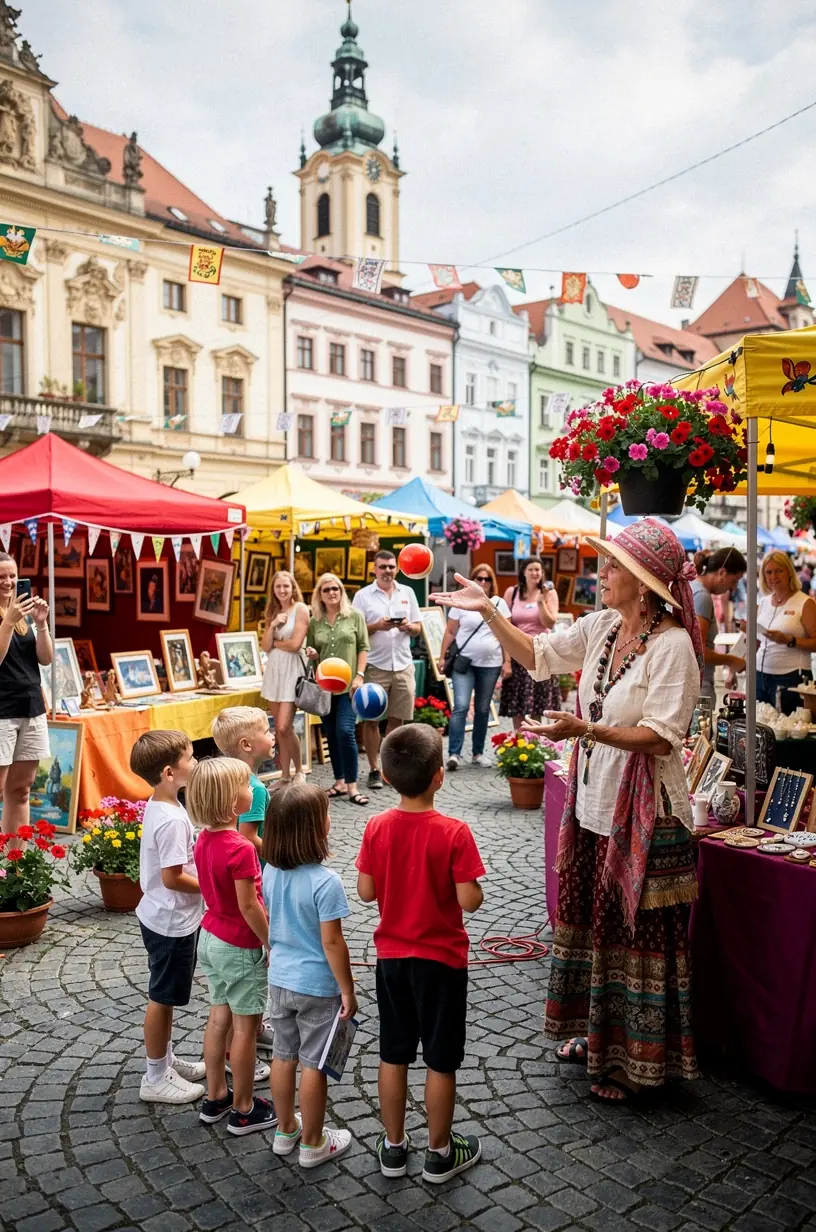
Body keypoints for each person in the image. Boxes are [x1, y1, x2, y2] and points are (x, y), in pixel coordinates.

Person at [433, 518, 701, 1104]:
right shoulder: (605, 625)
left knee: (636, 935)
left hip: (646, 812)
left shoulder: (673, 644)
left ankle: (639, 1060)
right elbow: (539, 654)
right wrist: (488, 611)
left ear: (644, 580)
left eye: (611, 568)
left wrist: (586, 728)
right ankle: (596, 1036)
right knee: (592, 922)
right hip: (594, 800)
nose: (600, 575)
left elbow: (661, 737)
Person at [356, 724, 485, 1183]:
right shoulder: (454, 832)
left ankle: (393, 1148)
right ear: (439, 777)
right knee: (440, 1059)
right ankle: (439, 1152)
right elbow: (469, 900)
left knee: (393, 1053)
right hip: (443, 962)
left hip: (391, 960)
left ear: (387, 778)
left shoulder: (376, 826)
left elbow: (366, 892)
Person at [262, 783, 356, 1168]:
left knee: (283, 1057)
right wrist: (348, 990)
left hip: (280, 980)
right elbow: (333, 943)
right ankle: (314, 1142)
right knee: (313, 1064)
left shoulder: (268, 871)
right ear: (315, 829)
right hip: (317, 985)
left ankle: (285, 1130)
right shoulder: (325, 881)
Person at [188, 757, 277, 1136]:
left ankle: (216, 1095)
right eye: (245, 785)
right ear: (230, 803)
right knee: (245, 1028)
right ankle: (243, 1108)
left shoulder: (204, 839)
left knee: (217, 1017)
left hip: (210, 937)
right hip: (239, 945)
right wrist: (269, 941)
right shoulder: (241, 847)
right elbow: (248, 904)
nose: (252, 790)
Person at [130, 730, 206, 1105]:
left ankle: (166, 1058)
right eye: (190, 758)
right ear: (169, 772)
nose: (195, 763)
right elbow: (173, 877)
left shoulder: (164, 805)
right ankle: (155, 1075)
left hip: (165, 916)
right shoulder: (173, 820)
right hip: (171, 921)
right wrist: (212, 885)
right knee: (162, 997)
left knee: (167, 996)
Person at [211, 704, 277, 1064]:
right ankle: (255, 1025)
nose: (272, 737)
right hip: (254, 874)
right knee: (254, 961)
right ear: (246, 744)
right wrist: (281, 853)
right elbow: (248, 835)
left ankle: (252, 1024)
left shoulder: (227, 781)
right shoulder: (254, 790)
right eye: (266, 731)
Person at [353, 550, 421, 792]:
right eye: (382, 567)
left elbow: (418, 627)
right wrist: (377, 626)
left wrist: (408, 627)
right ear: (374, 569)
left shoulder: (408, 592)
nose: (387, 571)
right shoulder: (362, 596)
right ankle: (373, 769)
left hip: (403, 664)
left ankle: (389, 767)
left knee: (398, 720)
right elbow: (357, 632)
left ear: (397, 569)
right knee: (371, 720)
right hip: (375, 665)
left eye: (391, 567)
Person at [438, 564, 511, 770]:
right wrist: (442, 656)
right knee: (460, 705)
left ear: (491, 582)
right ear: (472, 580)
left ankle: (478, 752)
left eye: (486, 579)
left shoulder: (498, 603)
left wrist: (508, 662)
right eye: (478, 578)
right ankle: (454, 753)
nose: (482, 582)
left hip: (491, 664)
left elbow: (506, 635)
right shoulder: (461, 602)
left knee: (482, 708)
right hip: (465, 663)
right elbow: (451, 631)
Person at [306, 574, 369, 806]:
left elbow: (363, 647)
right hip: (324, 687)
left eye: (336, 588)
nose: (332, 593)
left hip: (348, 686)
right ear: (319, 595)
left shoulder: (354, 616)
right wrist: (313, 654)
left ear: (342, 591)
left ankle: (353, 785)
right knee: (331, 734)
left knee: (345, 731)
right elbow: (312, 650)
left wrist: (359, 675)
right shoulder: (315, 621)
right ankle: (339, 780)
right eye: (326, 590)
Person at [0, 552, 52, 835]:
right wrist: (7, 621)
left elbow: (45, 658)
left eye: (12, 576)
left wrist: (41, 623)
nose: (8, 582)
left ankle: (15, 868)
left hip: (30, 707)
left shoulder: (24, 614)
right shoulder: (10, 617)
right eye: (1, 577)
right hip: (2, 711)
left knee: (21, 790)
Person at [499, 557, 561, 731]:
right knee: (517, 704)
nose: (535, 573)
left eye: (538, 570)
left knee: (537, 704)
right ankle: (519, 743)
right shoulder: (512, 593)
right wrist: (507, 661)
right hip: (518, 652)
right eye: (531, 569)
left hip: (541, 654)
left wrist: (541, 601)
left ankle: (536, 743)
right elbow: (505, 628)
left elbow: (550, 623)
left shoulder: (549, 593)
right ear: (523, 572)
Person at [260, 570, 310, 782]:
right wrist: (272, 626)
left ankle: (299, 771)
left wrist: (276, 644)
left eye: (286, 586)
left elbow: (295, 644)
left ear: (292, 588)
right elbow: (264, 646)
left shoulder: (300, 609)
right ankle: (285, 774)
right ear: (273, 589)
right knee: (279, 730)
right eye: (278, 586)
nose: (282, 590)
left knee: (284, 725)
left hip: (292, 670)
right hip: (274, 670)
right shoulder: (273, 612)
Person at [757, 550, 816, 712]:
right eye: (768, 572)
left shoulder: (805, 603)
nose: (773, 576)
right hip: (760, 676)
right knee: (761, 730)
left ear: (789, 572)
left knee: (787, 732)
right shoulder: (763, 603)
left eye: (779, 571)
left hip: (791, 678)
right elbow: (756, 641)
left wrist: (789, 640)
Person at [691, 547, 747, 702]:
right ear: (722, 573)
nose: (734, 588)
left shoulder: (693, 587)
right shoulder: (702, 597)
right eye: (734, 580)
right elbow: (699, 650)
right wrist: (731, 660)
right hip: (698, 685)